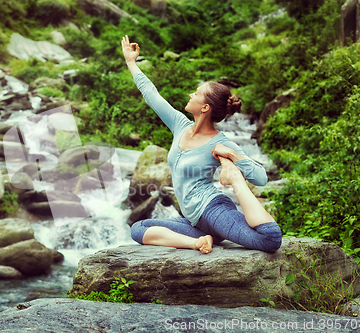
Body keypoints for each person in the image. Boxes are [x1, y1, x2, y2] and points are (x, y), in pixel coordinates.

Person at [121, 35, 282, 254]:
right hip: (194, 223)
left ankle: (231, 183)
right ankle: (198, 243)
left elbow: (261, 178)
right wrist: (131, 62)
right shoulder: (179, 125)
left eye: (196, 93)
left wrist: (234, 159)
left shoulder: (221, 142)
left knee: (270, 240)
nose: (190, 94)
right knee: (138, 228)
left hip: (213, 209)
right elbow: (152, 95)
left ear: (204, 107)